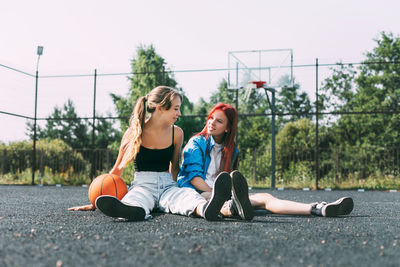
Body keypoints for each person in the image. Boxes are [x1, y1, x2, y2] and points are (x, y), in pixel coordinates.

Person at [69, 86, 232, 221]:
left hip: (168, 185)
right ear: (160, 108)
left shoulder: (177, 133)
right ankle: (131, 212)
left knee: (186, 197)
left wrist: (176, 189)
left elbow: (175, 168)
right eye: (176, 109)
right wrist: (95, 200)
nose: (179, 113)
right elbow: (118, 169)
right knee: (135, 199)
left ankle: (204, 208)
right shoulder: (134, 133)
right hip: (143, 185)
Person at [177, 102, 354, 219]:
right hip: (198, 192)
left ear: (228, 128)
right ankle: (232, 206)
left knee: (266, 198)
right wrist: (221, 193)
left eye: (219, 121)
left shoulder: (231, 149)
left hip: (220, 193)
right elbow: (193, 178)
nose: (211, 123)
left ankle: (317, 208)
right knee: (235, 199)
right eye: (211, 118)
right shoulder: (196, 143)